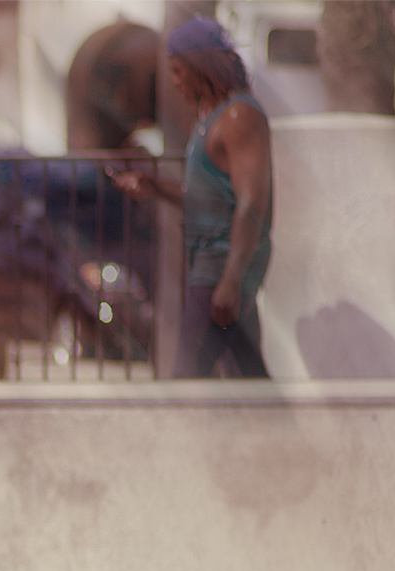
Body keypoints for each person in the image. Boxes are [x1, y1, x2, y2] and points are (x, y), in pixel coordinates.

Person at [108, 15, 272, 378]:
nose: (175, 82)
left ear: (202, 66)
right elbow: (210, 200)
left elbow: (251, 203)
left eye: (179, 71)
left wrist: (230, 279)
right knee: (251, 377)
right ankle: (285, 434)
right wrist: (154, 188)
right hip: (216, 263)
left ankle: (174, 436)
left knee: (185, 377)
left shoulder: (238, 116)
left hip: (220, 264)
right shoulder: (211, 119)